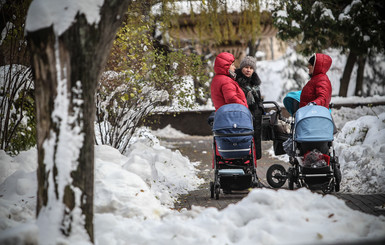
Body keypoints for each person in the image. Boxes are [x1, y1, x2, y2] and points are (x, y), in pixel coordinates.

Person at [235, 56, 264, 160]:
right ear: (241, 67)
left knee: (255, 142)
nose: (248, 70)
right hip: (243, 115)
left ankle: (254, 160)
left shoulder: (255, 83)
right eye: (246, 67)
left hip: (256, 116)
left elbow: (258, 99)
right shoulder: (236, 81)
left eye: (251, 68)